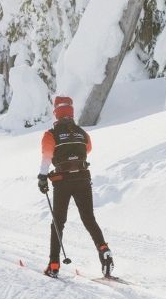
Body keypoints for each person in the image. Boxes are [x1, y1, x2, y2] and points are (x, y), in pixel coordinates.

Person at [37, 96, 114, 278]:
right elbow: (87, 149)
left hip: (62, 181)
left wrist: (42, 177)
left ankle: (54, 264)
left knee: (58, 222)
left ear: (56, 112)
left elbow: (47, 156)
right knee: (89, 219)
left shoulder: (51, 134)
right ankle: (104, 252)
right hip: (83, 179)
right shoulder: (82, 133)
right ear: (71, 112)